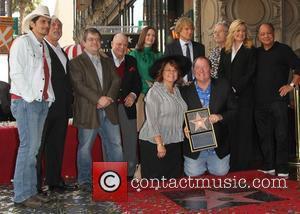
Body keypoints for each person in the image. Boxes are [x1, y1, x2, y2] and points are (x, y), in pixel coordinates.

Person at [9, 5, 54, 208]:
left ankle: (30, 192)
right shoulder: (22, 42)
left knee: (33, 149)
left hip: (40, 102)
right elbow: (16, 73)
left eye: (48, 21)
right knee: (28, 148)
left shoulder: (42, 45)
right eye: (42, 21)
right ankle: (22, 194)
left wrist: (48, 97)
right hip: (27, 102)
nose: (46, 25)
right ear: (32, 23)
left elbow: (45, 75)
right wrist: (30, 97)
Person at [69, 28, 123, 191]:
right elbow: (79, 85)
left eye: (97, 39)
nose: (95, 42)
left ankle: (115, 182)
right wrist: (98, 99)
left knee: (115, 145)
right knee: (85, 147)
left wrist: (108, 98)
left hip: (109, 110)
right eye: (91, 39)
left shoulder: (108, 61)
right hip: (88, 111)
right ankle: (85, 181)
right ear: (83, 43)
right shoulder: (75, 63)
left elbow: (116, 80)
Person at [255, 23, 300, 177]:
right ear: (258, 36)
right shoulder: (256, 53)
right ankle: (269, 166)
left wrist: (291, 85)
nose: (266, 36)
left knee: (281, 135)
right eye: (262, 34)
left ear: (274, 33)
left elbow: (298, 66)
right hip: (260, 102)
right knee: (264, 135)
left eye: (268, 33)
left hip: (278, 101)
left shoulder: (283, 50)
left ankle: (282, 169)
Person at [180, 57, 237, 176]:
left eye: (205, 67)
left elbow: (234, 110)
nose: (201, 70)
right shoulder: (184, 90)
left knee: (221, 172)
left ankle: (212, 161)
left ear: (210, 69)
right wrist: (184, 127)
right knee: (193, 173)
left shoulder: (223, 86)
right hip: (195, 147)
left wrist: (220, 117)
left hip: (218, 145)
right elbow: (179, 115)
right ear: (193, 70)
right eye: (198, 67)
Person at [36, 16, 73, 193]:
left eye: (60, 25)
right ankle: (34, 185)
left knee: (56, 144)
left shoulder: (62, 51)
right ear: (46, 28)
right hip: (45, 106)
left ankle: (54, 181)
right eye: (53, 25)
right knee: (39, 146)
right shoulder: (40, 48)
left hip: (62, 107)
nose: (56, 28)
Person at [139, 55, 189, 179]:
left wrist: (185, 127)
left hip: (174, 140)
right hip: (155, 142)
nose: (171, 73)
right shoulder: (154, 92)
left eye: (174, 70)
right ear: (161, 72)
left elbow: (179, 113)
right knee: (155, 182)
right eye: (168, 70)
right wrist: (159, 144)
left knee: (172, 180)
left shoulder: (177, 90)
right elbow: (152, 120)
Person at [218, 19, 256, 171]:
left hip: (245, 96)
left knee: (244, 130)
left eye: (243, 31)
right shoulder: (225, 50)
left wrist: (235, 88)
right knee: (231, 129)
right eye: (238, 31)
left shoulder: (250, 49)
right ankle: (232, 164)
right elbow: (221, 72)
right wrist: (226, 89)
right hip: (228, 98)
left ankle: (244, 164)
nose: (241, 34)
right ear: (232, 33)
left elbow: (251, 72)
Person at [107, 33, 142, 178]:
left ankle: (129, 173)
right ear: (112, 45)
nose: (122, 47)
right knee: (111, 141)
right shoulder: (104, 61)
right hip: (109, 108)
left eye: (125, 45)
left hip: (128, 107)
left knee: (130, 140)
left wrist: (133, 95)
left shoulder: (132, 60)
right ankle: (111, 174)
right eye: (119, 44)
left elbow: (137, 82)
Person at [129, 26, 162, 131]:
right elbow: (132, 76)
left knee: (157, 125)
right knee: (142, 125)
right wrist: (145, 84)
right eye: (148, 35)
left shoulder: (159, 55)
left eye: (153, 35)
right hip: (141, 93)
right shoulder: (134, 54)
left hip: (157, 93)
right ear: (143, 36)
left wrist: (156, 84)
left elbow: (163, 74)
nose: (151, 37)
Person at [164, 16, 205, 81]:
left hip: (196, 86)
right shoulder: (170, 48)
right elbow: (166, 68)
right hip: (177, 86)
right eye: (187, 29)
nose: (190, 32)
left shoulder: (200, 48)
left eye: (192, 29)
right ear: (179, 30)